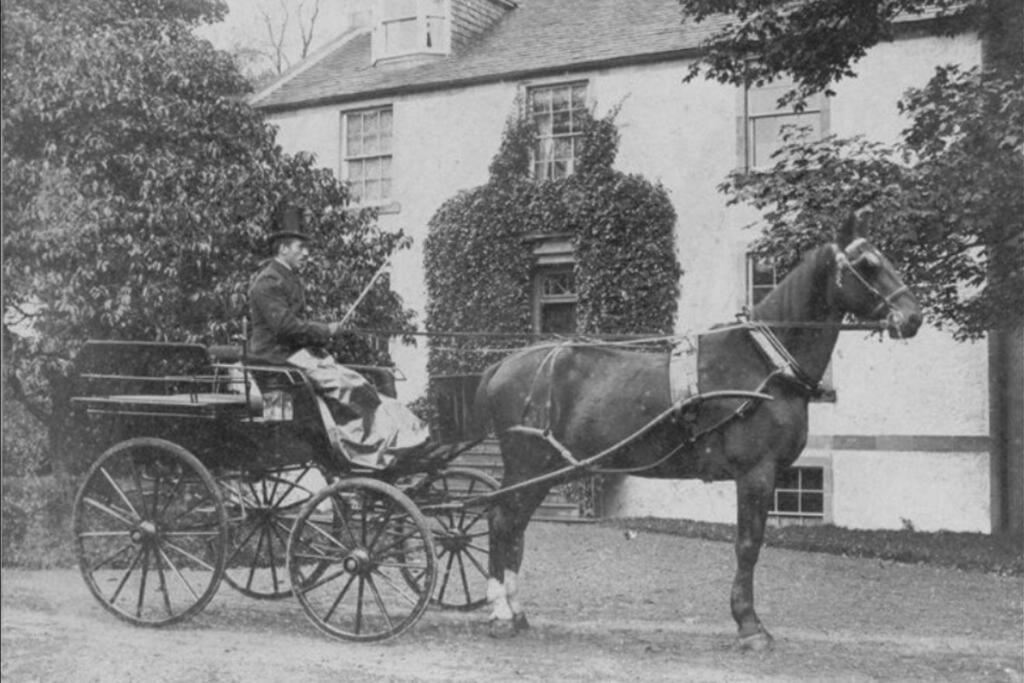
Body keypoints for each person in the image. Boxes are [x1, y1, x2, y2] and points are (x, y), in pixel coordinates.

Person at [247, 204, 428, 467]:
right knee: (349, 385)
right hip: (275, 365)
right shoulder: (267, 283)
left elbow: (294, 328)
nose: (307, 254)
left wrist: (323, 336)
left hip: (295, 358)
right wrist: (325, 330)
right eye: (301, 248)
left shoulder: (288, 279)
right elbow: (285, 327)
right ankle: (359, 449)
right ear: (283, 248)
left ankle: (383, 441)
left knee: (361, 381)